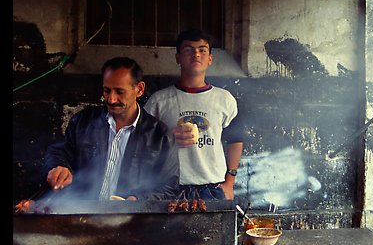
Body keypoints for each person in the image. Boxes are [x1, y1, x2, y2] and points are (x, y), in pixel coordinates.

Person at [44, 57, 179, 201]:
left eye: (120, 92)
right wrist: (58, 166)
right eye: (107, 91)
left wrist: (139, 200)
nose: (111, 99)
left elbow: (168, 188)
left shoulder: (160, 136)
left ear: (139, 89)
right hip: (82, 211)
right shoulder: (83, 122)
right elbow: (59, 150)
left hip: (131, 219)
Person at [144, 28, 244, 200]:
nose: (196, 55)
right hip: (169, 188)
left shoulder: (224, 99)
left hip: (213, 186)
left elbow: (235, 140)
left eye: (202, 50)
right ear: (178, 58)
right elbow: (141, 143)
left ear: (210, 58)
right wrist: (167, 137)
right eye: (188, 50)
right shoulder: (159, 101)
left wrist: (230, 182)